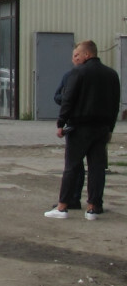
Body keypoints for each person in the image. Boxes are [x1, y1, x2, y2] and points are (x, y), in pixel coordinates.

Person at [44, 40, 120, 220]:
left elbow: (68, 99)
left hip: (80, 127)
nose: (74, 59)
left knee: (71, 166)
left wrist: (61, 123)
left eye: (77, 55)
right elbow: (115, 103)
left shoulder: (77, 73)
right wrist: (110, 127)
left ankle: (62, 207)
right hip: (101, 128)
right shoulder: (111, 75)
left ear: (87, 54)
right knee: (97, 168)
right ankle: (93, 208)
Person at [52, 54, 86, 210]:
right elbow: (58, 96)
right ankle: (72, 199)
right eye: (74, 56)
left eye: (78, 55)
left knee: (82, 165)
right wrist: (66, 97)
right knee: (75, 165)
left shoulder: (92, 76)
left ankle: (83, 200)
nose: (75, 58)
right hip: (72, 123)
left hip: (86, 124)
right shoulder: (68, 76)